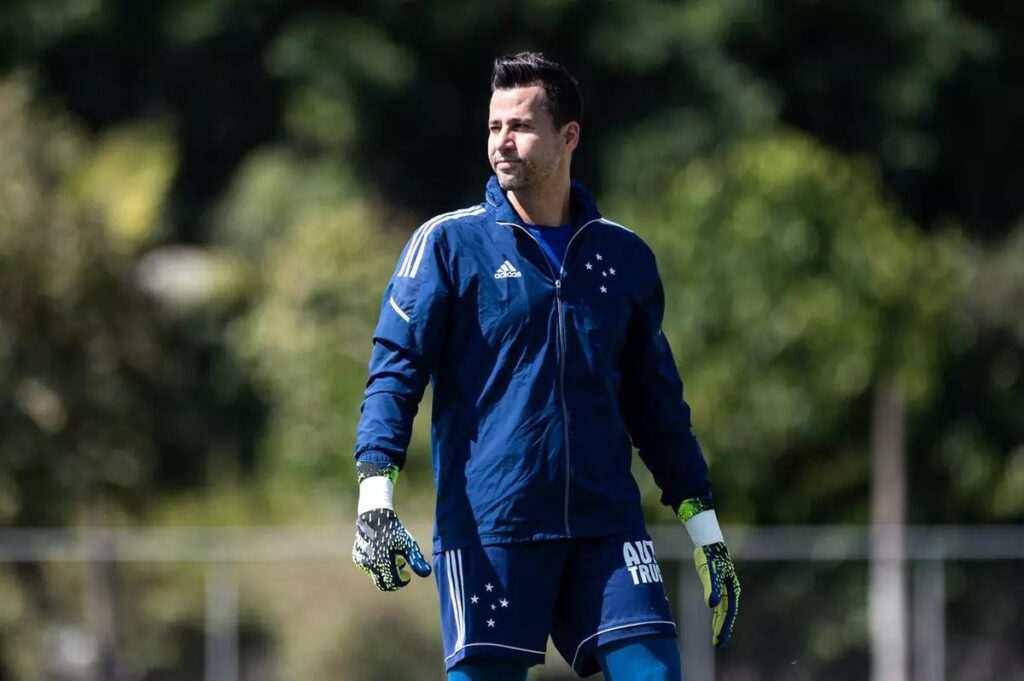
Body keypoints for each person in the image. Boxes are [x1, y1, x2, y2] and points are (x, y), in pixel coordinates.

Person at [352, 51, 739, 680]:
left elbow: (658, 406)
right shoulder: (447, 244)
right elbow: (395, 372)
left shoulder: (624, 256)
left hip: (607, 530)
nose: (502, 143)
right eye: (493, 127)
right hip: (491, 532)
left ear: (568, 136)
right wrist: (375, 494)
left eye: (520, 126)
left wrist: (705, 528)